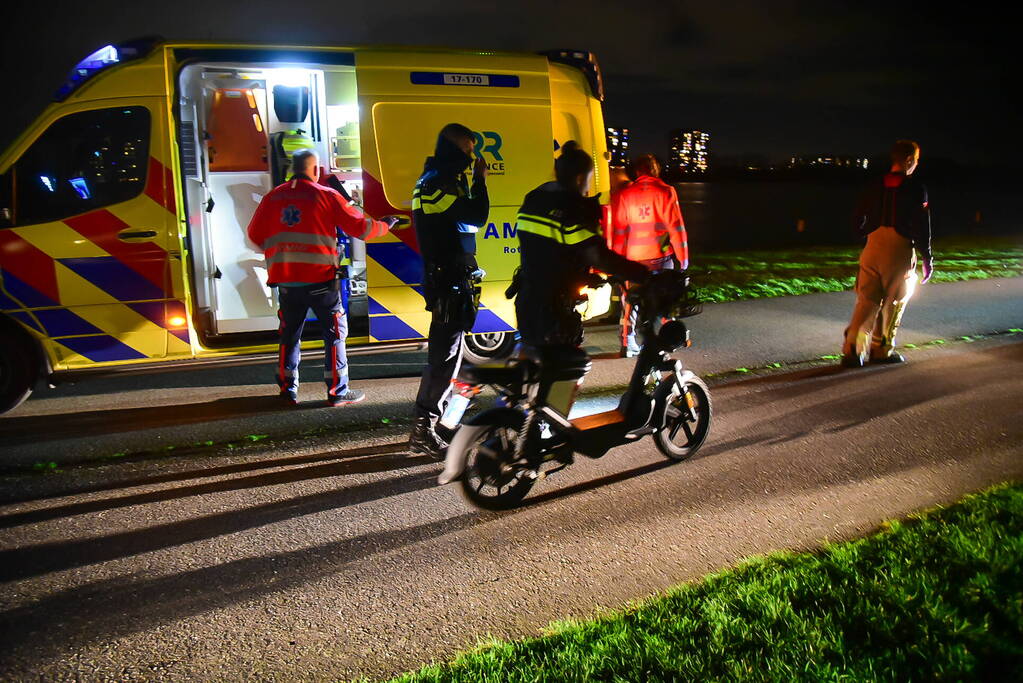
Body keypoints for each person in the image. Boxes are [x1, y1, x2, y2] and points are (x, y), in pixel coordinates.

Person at [247, 149, 399, 405]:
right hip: (320, 280)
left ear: (291, 169)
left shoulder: (273, 197)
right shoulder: (326, 195)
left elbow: (255, 234)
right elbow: (362, 229)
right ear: (315, 170)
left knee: (290, 334)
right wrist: (386, 224)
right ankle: (337, 392)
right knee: (334, 333)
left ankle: (287, 391)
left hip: (285, 280)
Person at [514, 141, 650, 356]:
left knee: (534, 369)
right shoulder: (575, 207)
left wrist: (581, 276)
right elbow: (598, 256)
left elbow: (549, 251)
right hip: (554, 308)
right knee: (566, 372)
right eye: (587, 180)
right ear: (580, 178)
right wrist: (643, 275)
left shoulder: (534, 199)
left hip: (527, 298)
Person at [408, 123, 490, 459]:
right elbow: (477, 216)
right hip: (447, 282)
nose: (472, 157)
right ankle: (423, 429)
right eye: (468, 150)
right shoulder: (437, 183)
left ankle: (433, 423)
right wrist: (480, 181)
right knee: (443, 359)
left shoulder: (437, 180)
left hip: (451, 279)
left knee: (450, 357)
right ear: (453, 148)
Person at [841, 140, 933, 367]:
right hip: (899, 248)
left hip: (872, 247)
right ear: (910, 160)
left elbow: (856, 216)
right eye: (916, 161)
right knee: (895, 300)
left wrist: (863, 235)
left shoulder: (874, 184)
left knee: (867, 299)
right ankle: (881, 349)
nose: (916, 166)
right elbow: (923, 226)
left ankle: (852, 350)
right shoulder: (916, 188)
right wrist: (926, 257)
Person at [609, 154, 689, 356]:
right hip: (660, 257)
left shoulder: (624, 194)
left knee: (630, 301)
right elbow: (676, 228)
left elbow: (619, 231)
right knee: (665, 299)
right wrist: (683, 257)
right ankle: (670, 338)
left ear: (637, 172)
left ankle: (627, 343)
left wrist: (617, 262)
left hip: (634, 258)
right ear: (655, 170)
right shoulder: (666, 191)